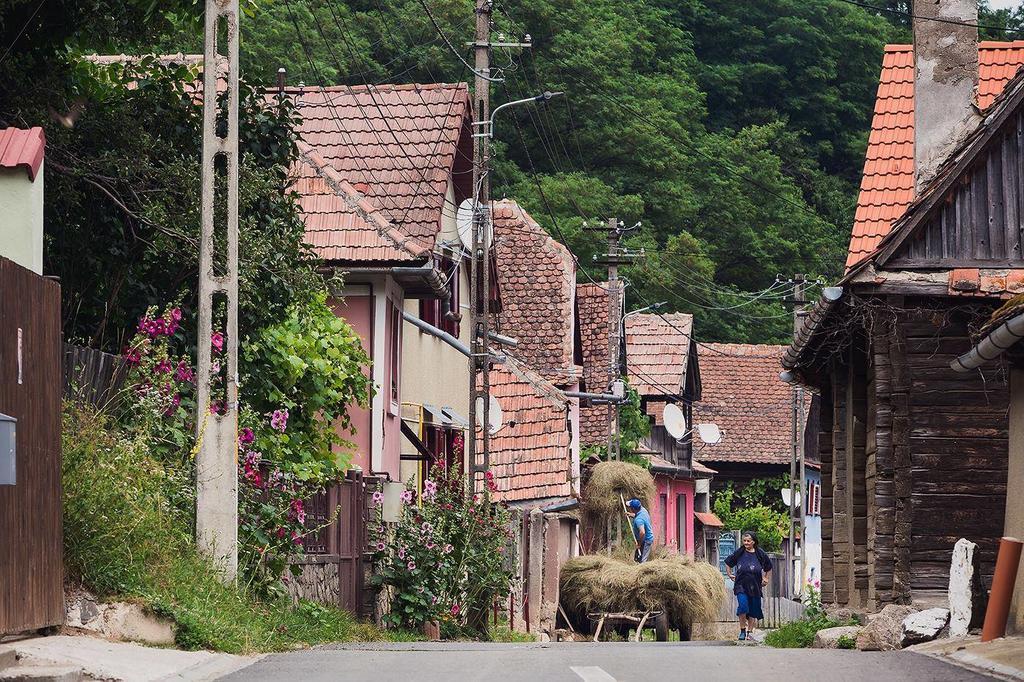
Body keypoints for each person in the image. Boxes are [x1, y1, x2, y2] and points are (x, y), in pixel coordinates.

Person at [724, 531, 773, 641]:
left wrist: (766, 578)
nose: (746, 543)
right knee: (743, 606)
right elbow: (728, 562)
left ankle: (749, 633)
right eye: (744, 541)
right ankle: (742, 630)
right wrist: (729, 574)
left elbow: (769, 567)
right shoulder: (739, 552)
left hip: (755, 586)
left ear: (753, 542)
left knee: (753, 609)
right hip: (741, 585)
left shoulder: (760, 554)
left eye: (748, 541)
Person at [626, 498, 654, 563]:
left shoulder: (639, 520)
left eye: (630, 507)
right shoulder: (643, 510)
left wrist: (639, 544)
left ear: (633, 509)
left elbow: (642, 532)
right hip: (644, 539)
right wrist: (632, 514)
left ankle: (642, 571)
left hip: (646, 541)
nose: (629, 508)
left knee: (642, 560)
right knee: (637, 557)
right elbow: (638, 514)